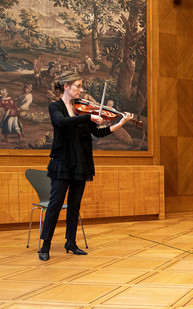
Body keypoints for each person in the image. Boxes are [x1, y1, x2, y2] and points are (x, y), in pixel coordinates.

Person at [38, 71, 133, 261]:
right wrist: (88, 118)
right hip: (62, 162)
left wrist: (121, 122)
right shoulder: (55, 107)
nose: (81, 90)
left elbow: (99, 133)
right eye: (78, 86)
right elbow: (62, 122)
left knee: (74, 205)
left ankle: (70, 243)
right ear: (66, 86)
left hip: (81, 161)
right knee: (55, 204)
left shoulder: (83, 110)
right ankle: (45, 246)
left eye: (81, 86)